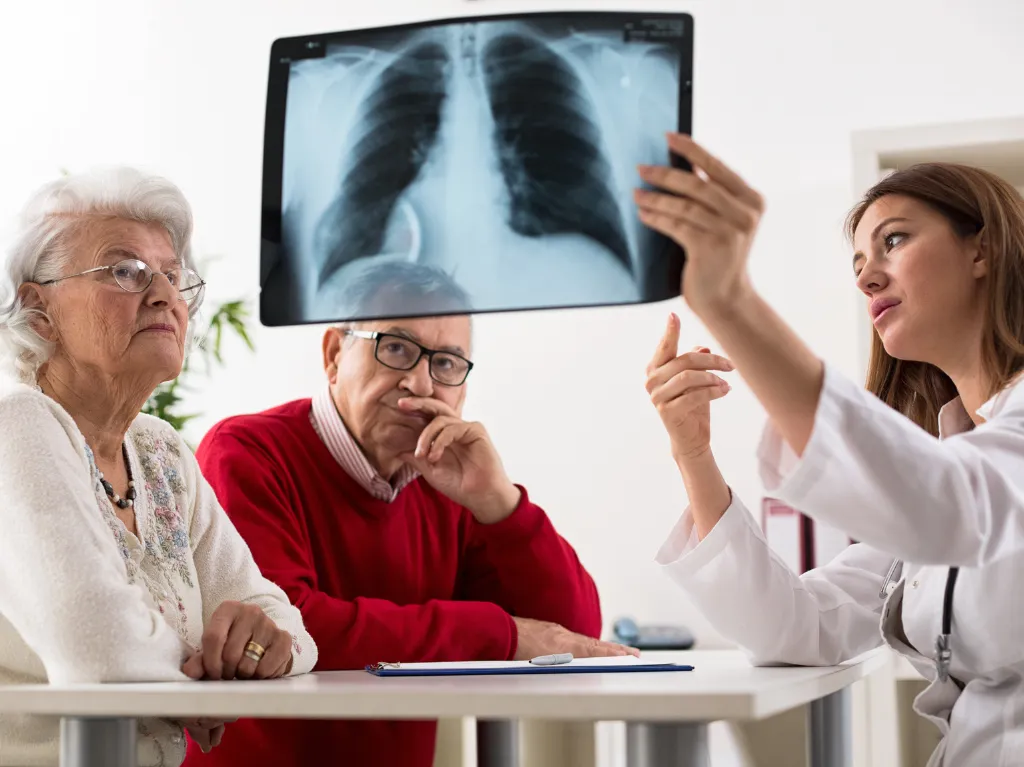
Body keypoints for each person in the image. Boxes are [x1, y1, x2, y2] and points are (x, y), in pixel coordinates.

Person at [634, 134, 1024, 766]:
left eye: (894, 240)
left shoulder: (970, 469)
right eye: (859, 261)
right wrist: (694, 455)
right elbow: (795, 631)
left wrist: (731, 300)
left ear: (982, 249)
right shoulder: (952, 455)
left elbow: (954, 504)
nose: (868, 274)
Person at [184, 261, 635, 767]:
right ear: (334, 355)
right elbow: (287, 628)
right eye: (396, 348)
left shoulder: (451, 482)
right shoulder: (247, 452)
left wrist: (498, 503)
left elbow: (572, 633)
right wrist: (499, 633)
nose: (421, 383)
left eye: (446, 363)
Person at [0, 167, 318, 767]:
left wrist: (266, 647)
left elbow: (284, 622)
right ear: (38, 310)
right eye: (125, 271)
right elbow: (94, 648)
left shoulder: (159, 453)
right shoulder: (17, 427)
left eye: (173, 276)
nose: (164, 295)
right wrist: (206, 677)